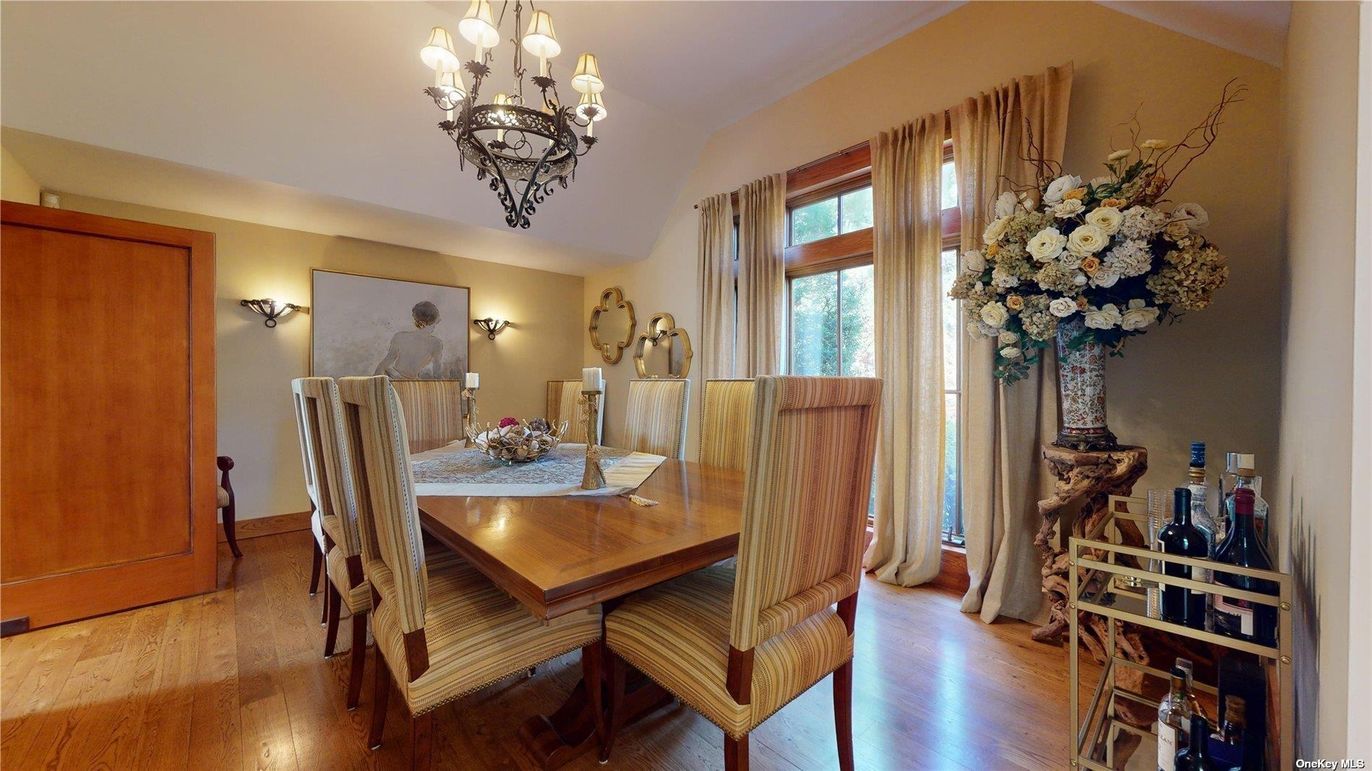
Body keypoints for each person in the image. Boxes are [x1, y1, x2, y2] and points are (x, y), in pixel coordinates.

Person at [374, 301, 444, 379]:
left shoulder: (436, 343)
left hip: (408, 382)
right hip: (397, 379)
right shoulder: (436, 343)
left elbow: (437, 373)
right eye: (433, 324)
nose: (434, 327)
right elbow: (385, 363)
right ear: (422, 323)